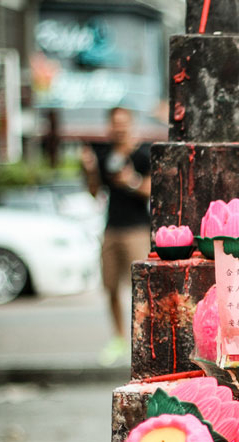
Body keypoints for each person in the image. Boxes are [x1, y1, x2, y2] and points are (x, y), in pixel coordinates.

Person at [81, 107, 151, 366]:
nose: (118, 128)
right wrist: (89, 169)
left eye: (123, 123)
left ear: (131, 124)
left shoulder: (143, 153)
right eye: (114, 123)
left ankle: (141, 339)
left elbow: (151, 188)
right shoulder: (103, 153)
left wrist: (131, 181)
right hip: (111, 228)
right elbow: (94, 192)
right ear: (109, 126)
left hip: (137, 229)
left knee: (140, 289)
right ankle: (118, 338)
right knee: (110, 287)